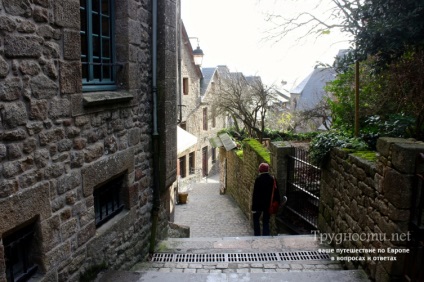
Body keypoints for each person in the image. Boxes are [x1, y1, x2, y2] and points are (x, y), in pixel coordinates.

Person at [251, 162, 281, 236]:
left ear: (260, 170)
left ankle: (257, 235)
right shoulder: (272, 179)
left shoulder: (258, 179)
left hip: (258, 205)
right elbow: (276, 193)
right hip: (268, 205)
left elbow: (255, 194)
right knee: (266, 221)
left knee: (256, 220)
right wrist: (277, 203)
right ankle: (265, 235)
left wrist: (253, 208)